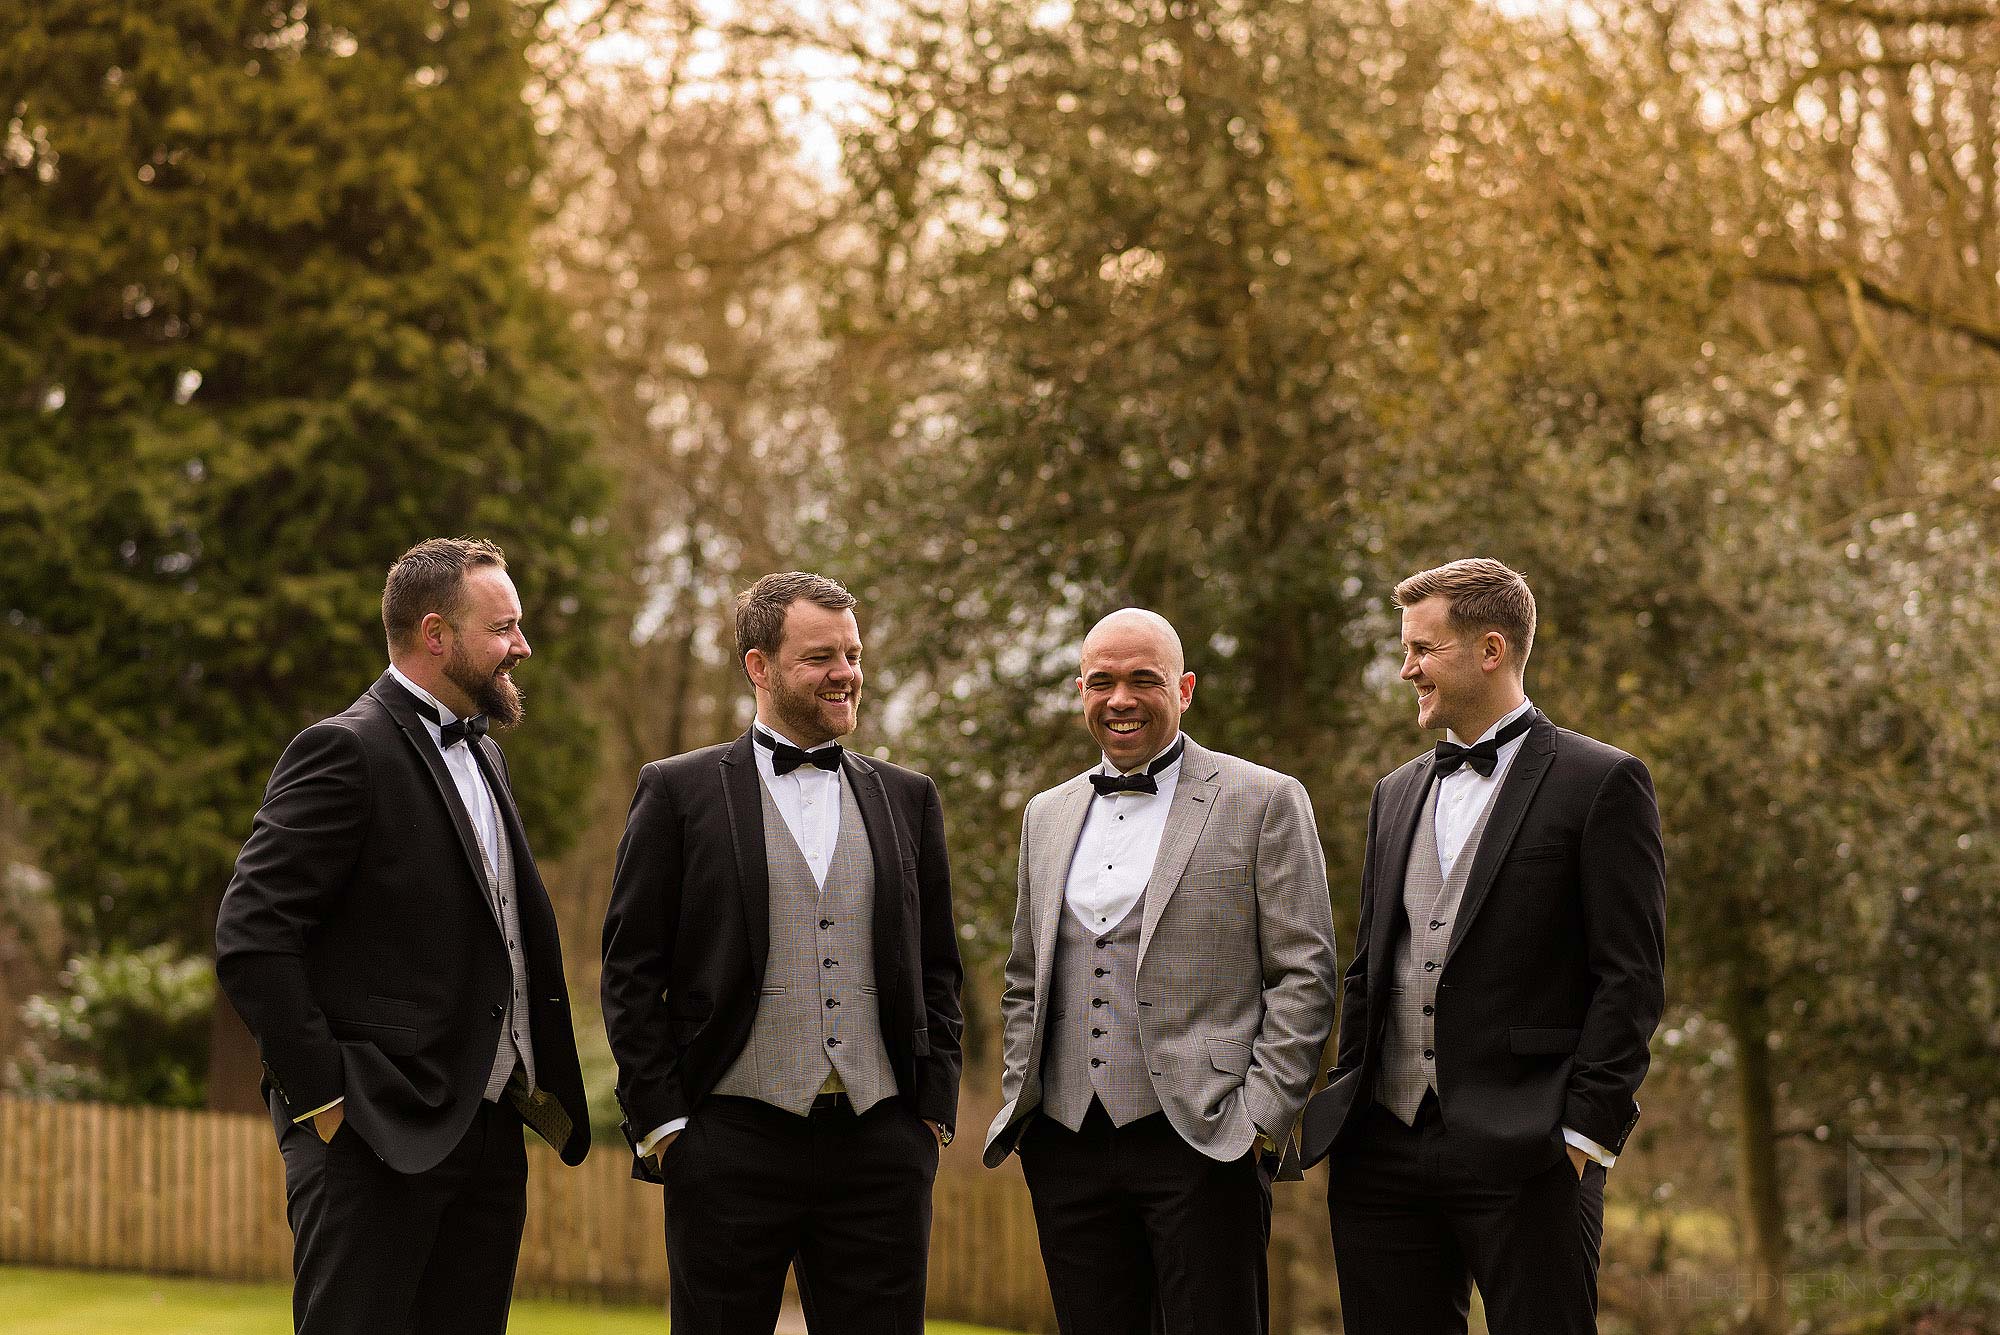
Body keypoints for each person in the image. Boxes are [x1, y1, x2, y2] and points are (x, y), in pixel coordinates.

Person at [215, 536, 589, 1335]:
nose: (522, 646)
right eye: (505, 628)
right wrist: (323, 1098)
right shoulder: (344, 749)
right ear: (435, 634)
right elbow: (251, 934)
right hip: (372, 1136)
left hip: (486, 1134)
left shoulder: (485, 754)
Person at [1300, 558, 1667, 1334]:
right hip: (1382, 1148)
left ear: (1490, 649)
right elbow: (1370, 968)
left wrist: (1582, 1137)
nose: (1407, 669)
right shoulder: (1394, 792)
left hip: (1532, 1151)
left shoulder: (1602, 781)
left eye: (1423, 650)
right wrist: (1348, 1098)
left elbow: (1630, 978)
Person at [600, 571, 963, 1335]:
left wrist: (930, 1114)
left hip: (879, 1145)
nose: (847, 673)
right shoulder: (678, 791)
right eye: (820, 656)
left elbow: (937, 968)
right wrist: (665, 1124)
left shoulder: (908, 796)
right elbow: (632, 973)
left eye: (854, 653)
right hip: (730, 1141)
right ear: (759, 667)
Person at [983, 608, 1338, 1335]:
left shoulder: (1264, 798)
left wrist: (1258, 1120)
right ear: (1080, 689)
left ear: (1185, 687)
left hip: (1206, 1141)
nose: (1121, 698)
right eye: (1102, 681)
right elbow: (1025, 976)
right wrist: (1029, 1093)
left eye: (1144, 679)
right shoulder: (1045, 814)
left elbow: (1306, 974)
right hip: (1066, 1141)